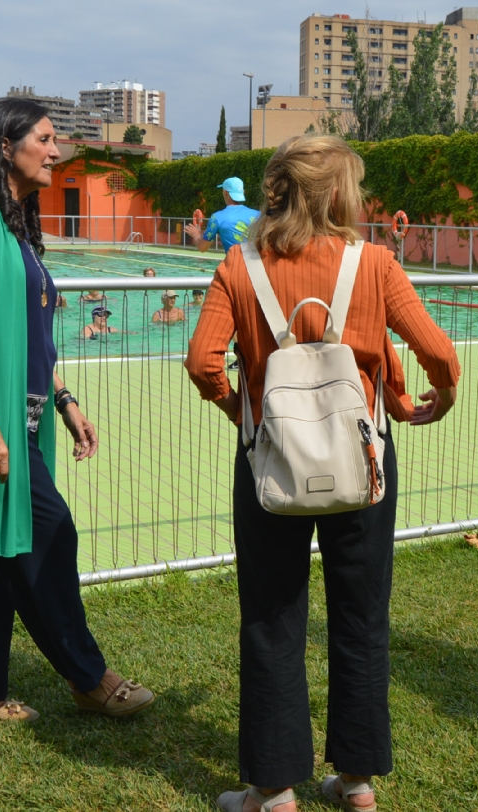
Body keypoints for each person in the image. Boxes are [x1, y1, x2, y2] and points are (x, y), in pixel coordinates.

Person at [185, 135, 460, 812]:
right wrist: (435, 397)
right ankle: (357, 782)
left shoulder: (239, 266)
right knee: (362, 614)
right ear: (337, 193)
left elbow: (201, 361)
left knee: (272, 616)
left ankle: (274, 790)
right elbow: (439, 354)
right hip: (360, 459)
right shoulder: (375, 264)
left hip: (269, 461)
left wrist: (243, 418)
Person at [0, 97, 154, 723]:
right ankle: (90, 677)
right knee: (49, 534)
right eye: (47, 139)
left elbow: (29, 333)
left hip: (18, 417)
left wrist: (64, 401)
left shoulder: (12, 217)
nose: (58, 152)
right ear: (5, 144)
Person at [184, 177, 259, 254]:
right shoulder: (259, 214)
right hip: (258, 264)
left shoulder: (217, 218)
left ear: (226, 192)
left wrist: (196, 234)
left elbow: (202, 247)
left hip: (235, 265)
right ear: (243, 192)